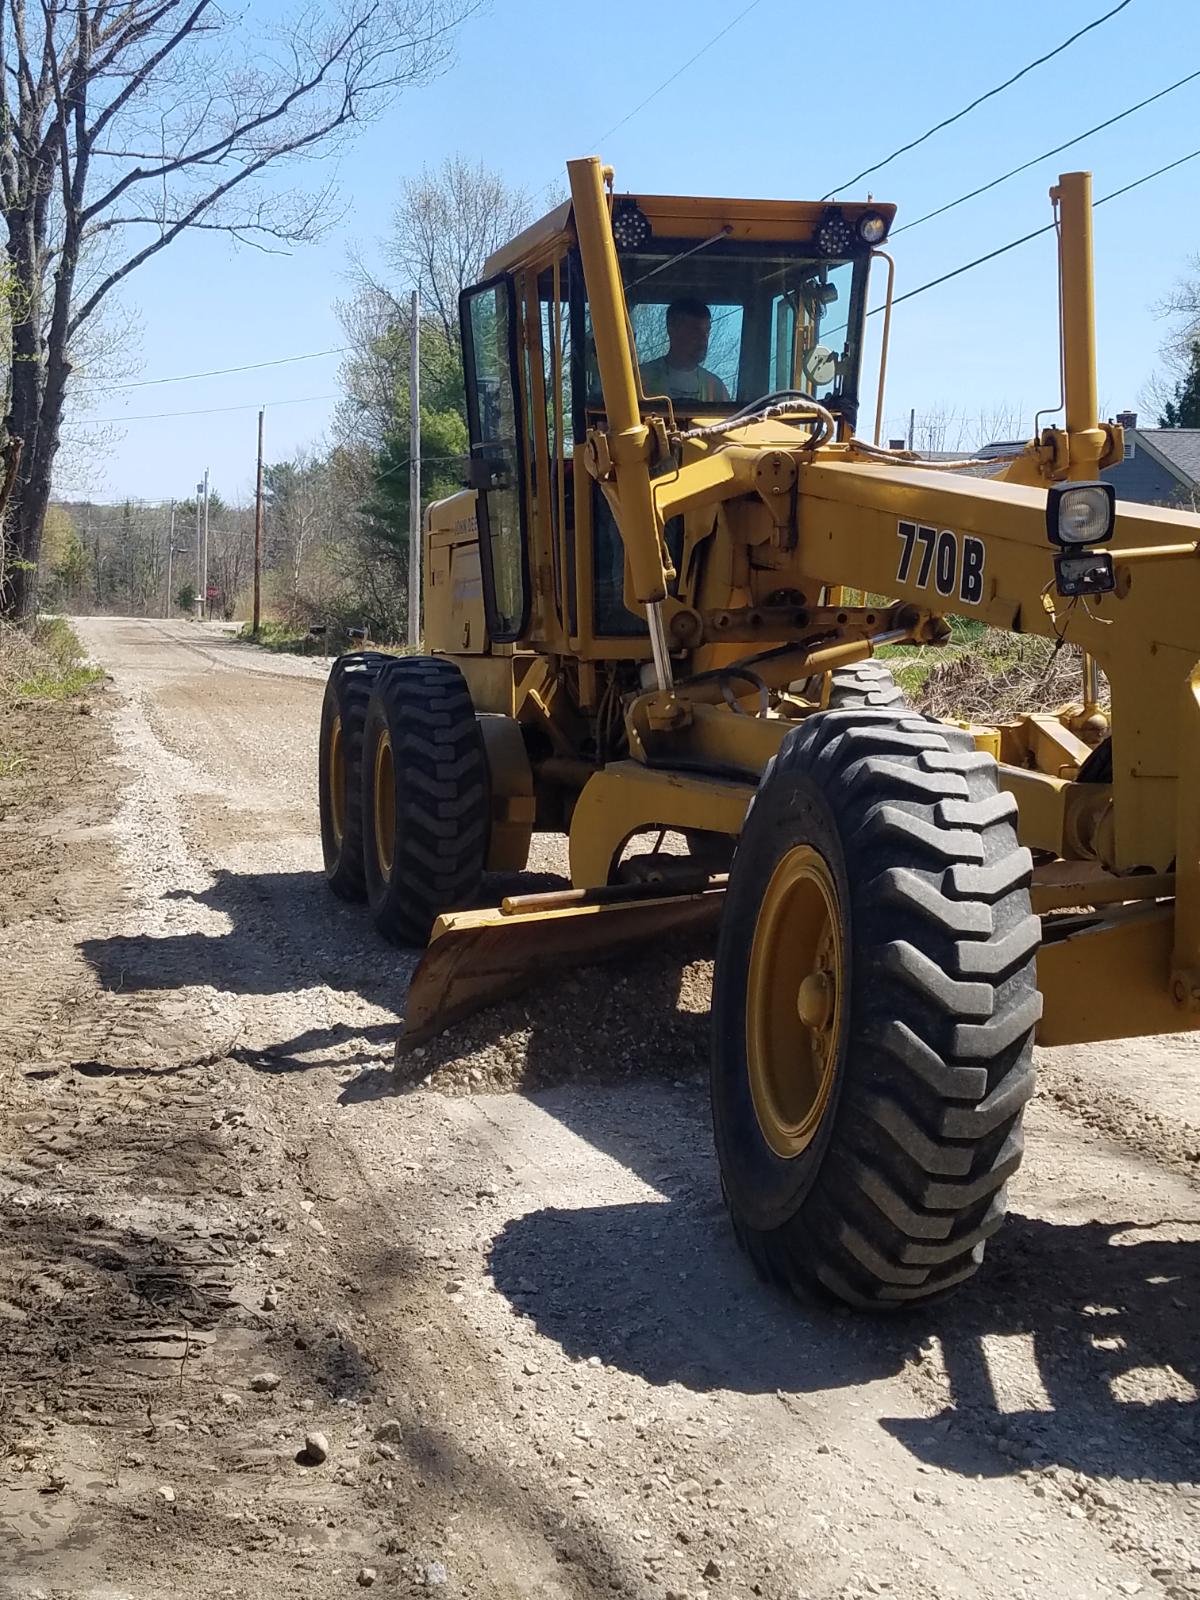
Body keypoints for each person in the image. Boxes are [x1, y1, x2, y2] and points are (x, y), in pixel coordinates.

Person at [640, 298, 731, 403]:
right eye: (696, 330)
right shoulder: (640, 380)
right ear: (672, 330)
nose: (703, 338)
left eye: (707, 331)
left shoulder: (715, 388)